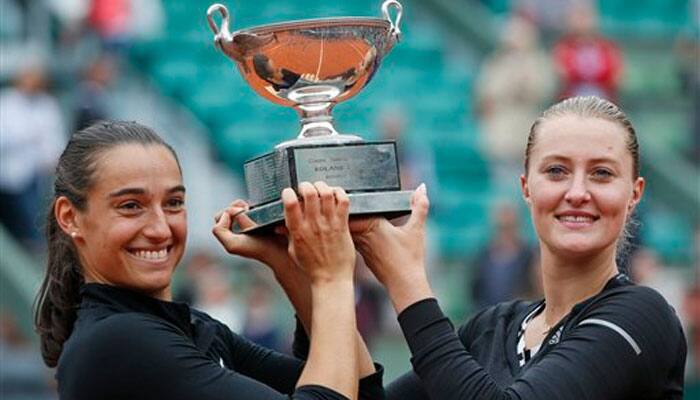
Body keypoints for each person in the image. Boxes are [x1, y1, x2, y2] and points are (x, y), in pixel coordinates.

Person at [352, 96, 686, 399]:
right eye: (556, 171)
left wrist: (405, 281)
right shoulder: (490, 329)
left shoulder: (642, 317)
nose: (577, 192)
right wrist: (327, 278)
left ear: (634, 194)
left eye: (601, 173)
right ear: (526, 187)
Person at [33, 120, 383, 400]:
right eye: (130, 206)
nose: (160, 228)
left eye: (173, 203)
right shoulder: (117, 339)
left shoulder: (195, 328)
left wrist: (289, 269)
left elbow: (359, 393)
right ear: (70, 217)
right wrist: (331, 278)